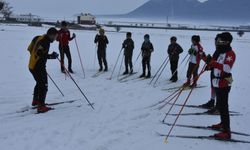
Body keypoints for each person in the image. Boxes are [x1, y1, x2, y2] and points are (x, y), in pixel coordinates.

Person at [205, 32, 236, 139]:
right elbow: (214, 64)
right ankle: (223, 124)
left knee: (224, 107)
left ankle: (227, 132)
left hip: (225, 82)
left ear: (227, 42)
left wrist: (215, 64)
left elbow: (227, 68)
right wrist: (209, 62)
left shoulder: (230, 53)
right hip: (217, 82)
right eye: (218, 40)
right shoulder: (219, 52)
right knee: (221, 106)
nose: (218, 42)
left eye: (220, 40)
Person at [28, 28, 59, 113]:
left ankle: (36, 101)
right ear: (51, 35)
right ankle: (41, 106)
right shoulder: (45, 42)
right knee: (44, 86)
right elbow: (39, 53)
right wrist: (50, 56)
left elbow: (30, 48)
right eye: (56, 36)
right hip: (38, 67)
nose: (56, 38)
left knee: (39, 83)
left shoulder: (38, 37)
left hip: (32, 65)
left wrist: (35, 58)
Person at [200, 34, 222, 113]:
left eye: (219, 41)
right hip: (214, 72)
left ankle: (219, 106)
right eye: (216, 41)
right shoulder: (217, 50)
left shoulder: (223, 51)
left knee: (219, 89)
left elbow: (219, 63)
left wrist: (210, 63)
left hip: (220, 74)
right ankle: (212, 102)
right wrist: (205, 58)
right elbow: (212, 61)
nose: (216, 43)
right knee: (213, 87)